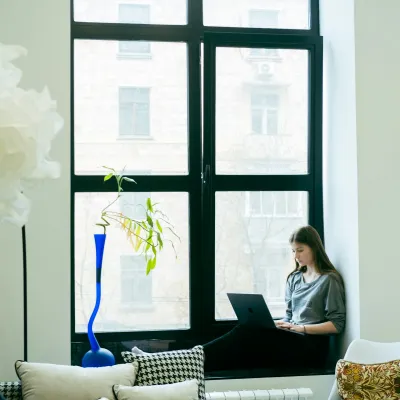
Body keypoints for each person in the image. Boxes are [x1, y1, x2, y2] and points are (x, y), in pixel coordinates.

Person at [203, 225, 346, 372]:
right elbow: (290, 316)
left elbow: (337, 325)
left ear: (314, 248)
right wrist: (280, 324)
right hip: (293, 338)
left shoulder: (329, 280)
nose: (296, 256)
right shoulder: (295, 278)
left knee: (246, 335)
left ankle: (197, 357)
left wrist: (301, 328)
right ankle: (198, 359)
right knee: (248, 332)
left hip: (311, 347)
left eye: (300, 250)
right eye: (293, 251)